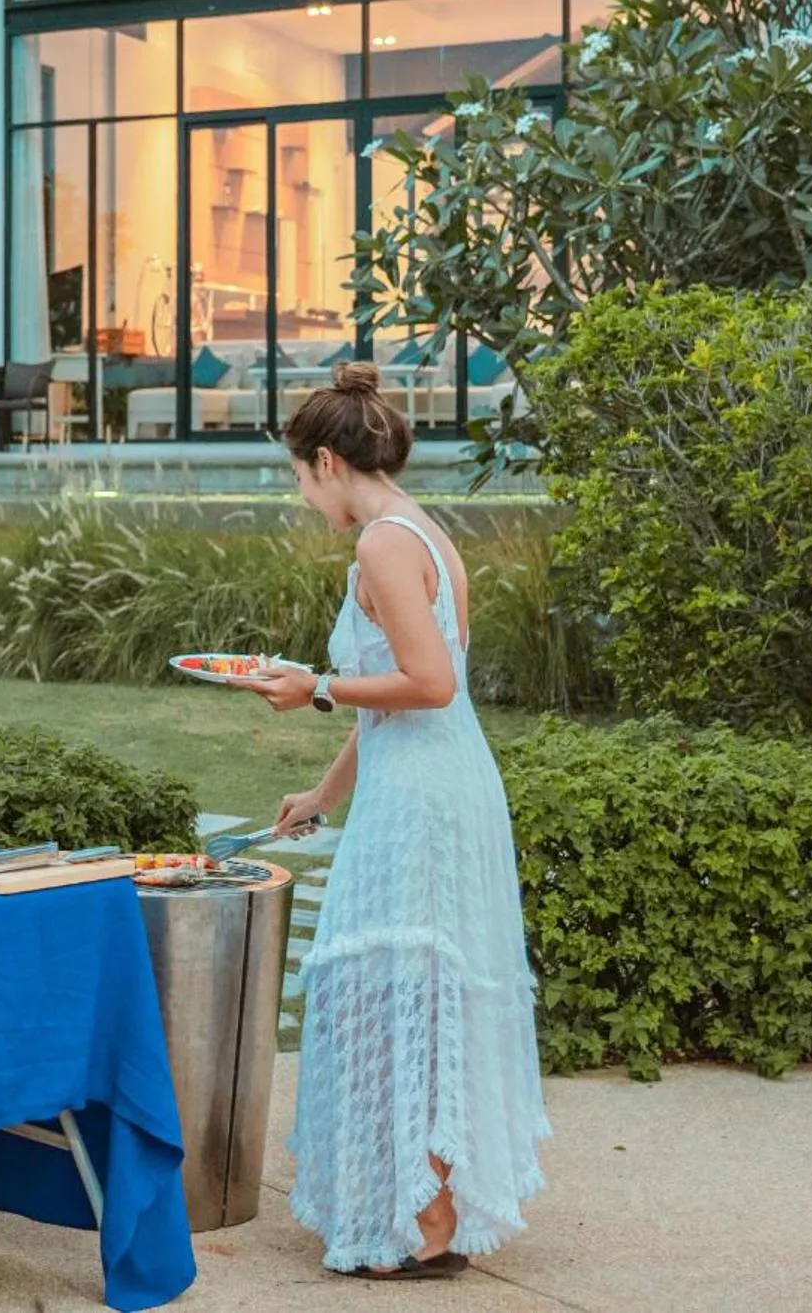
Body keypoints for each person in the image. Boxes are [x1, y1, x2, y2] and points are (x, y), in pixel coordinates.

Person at [238, 360, 549, 1280]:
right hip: (426, 780)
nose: (302, 497)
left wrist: (314, 687)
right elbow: (402, 697)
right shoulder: (422, 531)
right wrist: (321, 795)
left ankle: (422, 1225)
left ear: (327, 462)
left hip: (422, 801)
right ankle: (423, 1214)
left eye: (299, 477)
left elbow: (430, 684)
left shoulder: (382, 544)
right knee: (412, 992)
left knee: (396, 992)